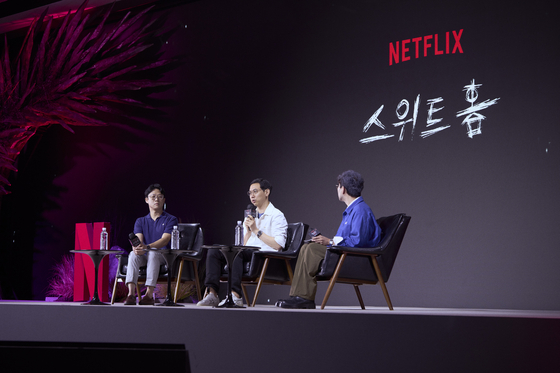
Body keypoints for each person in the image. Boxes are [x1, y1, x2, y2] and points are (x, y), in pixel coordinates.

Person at [278, 170, 382, 309]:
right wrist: (327, 241)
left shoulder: (360, 210)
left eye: (338, 186)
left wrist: (329, 242)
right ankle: (298, 296)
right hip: (345, 253)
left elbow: (358, 242)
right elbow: (345, 239)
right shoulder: (352, 210)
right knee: (306, 247)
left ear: (343, 189)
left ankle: (304, 298)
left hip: (354, 258)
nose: (337, 189)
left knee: (311, 250)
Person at [197, 178, 288, 307]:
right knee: (214, 250)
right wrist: (249, 232)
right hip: (248, 252)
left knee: (237, 252)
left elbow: (278, 244)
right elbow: (244, 244)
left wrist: (256, 230)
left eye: (255, 191)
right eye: (250, 193)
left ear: (266, 192)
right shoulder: (250, 215)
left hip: (264, 255)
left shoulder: (277, 215)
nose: (252, 195)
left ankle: (236, 295)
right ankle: (212, 294)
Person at [124, 183, 178, 305]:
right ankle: (131, 294)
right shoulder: (141, 221)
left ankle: (149, 294)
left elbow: (165, 239)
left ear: (164, 200)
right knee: (133, 254)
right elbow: (139, 240)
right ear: (146, 200)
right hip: (145, 254)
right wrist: (138, 248)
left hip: (163, 256)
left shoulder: (171, 219)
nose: (156, 199)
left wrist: (147, 247)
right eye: (153, 196)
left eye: (159, 196)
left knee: (153, 253)